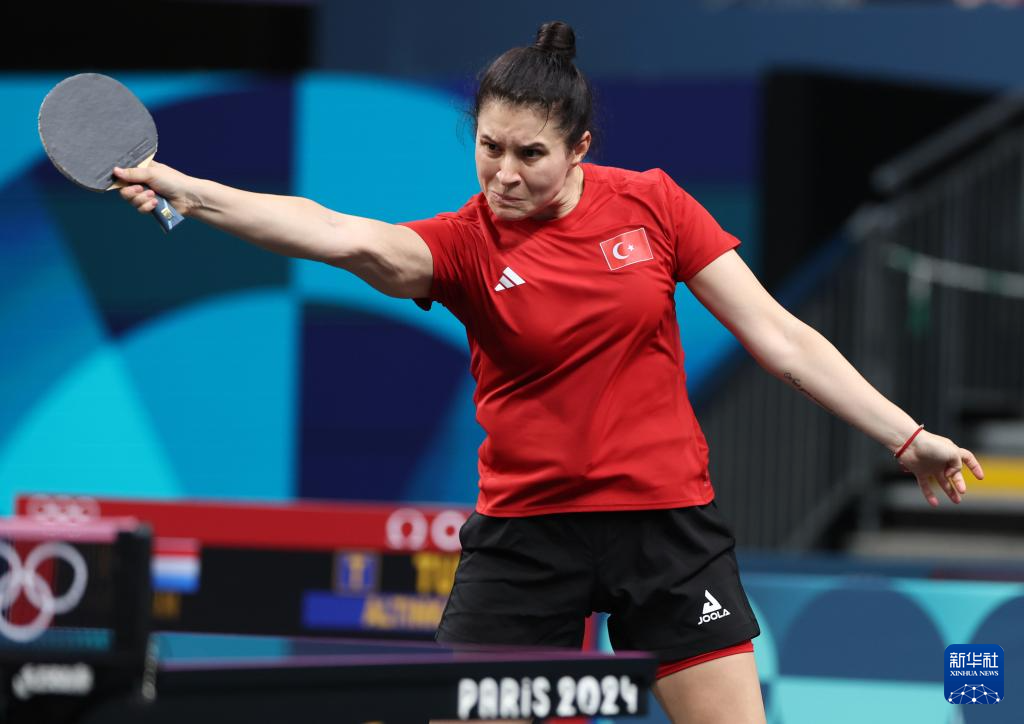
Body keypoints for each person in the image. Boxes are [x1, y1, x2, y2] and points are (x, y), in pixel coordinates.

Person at [115, 21, 983, 724]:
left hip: (664, 527)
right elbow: (337, 233)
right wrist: (191, 192)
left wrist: (905, 436)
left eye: (530, 154)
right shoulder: (463, 247)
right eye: (489, 147)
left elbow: (781, 338)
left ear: (579, 149)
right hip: (527, 539)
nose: (504, 173)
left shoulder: (653, 204)